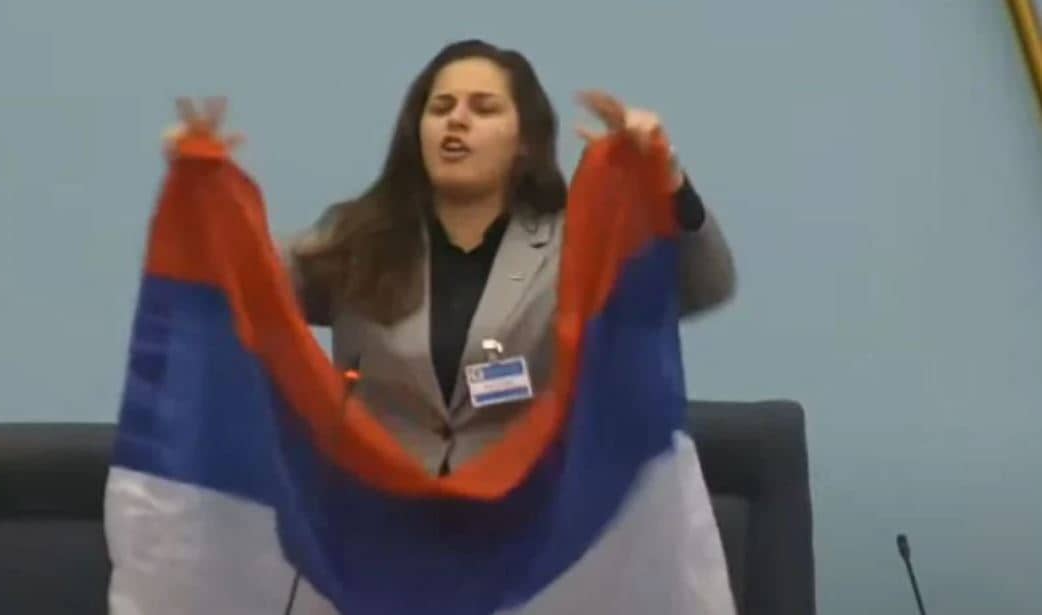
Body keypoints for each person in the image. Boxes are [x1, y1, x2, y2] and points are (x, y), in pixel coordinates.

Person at [168, 38, 736, 477]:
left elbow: (701, 285)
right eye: (440, 107)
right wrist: (200, 191)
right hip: (378, 527)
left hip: (528, 534)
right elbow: (238, 283)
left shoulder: (573, 248)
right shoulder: (356, 238)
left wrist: (668, 180)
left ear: (526, 143)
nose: (456, 120)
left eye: (483, 109)